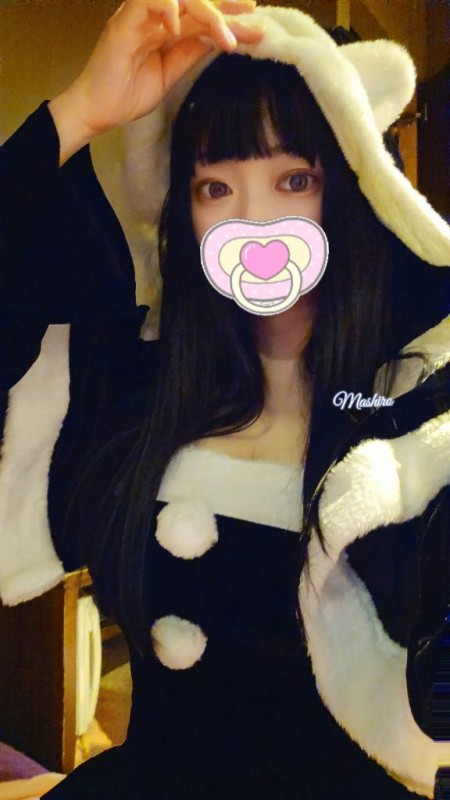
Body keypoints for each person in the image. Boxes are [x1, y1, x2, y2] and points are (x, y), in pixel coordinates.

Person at [1, 1, 450, 797]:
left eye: (294, 180)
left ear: (352, 186)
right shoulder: (126, 376)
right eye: (215, 187)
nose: (254, 225)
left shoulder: (421, 403)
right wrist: (81, 111)